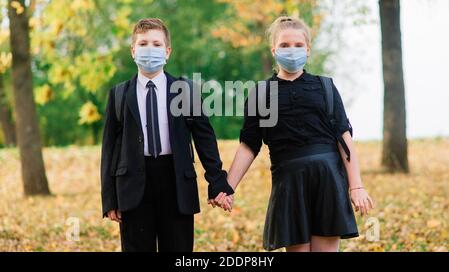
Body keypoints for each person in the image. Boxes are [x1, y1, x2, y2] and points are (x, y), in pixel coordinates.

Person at [214, 16, 374, 252]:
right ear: (273, 50)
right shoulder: (261, 94)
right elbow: (249, 146)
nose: (292, 51)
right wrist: (228, 187)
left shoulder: (325, 87)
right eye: (285, 45)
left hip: (327, 182)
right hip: (289, 184)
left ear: (308, 50)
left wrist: (356, 186)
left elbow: (344, 139)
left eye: (298, 46)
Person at [100, 18, 234, 252]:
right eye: (142, 44)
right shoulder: (119, 94)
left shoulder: (185, 90)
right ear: (133, 51)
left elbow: (205, 139)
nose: (149, 49)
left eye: (156, 44)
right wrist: (109, 199)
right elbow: (109, 149)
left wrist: (217, 181)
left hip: (176, 184)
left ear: (167, 51)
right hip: (132, 187)